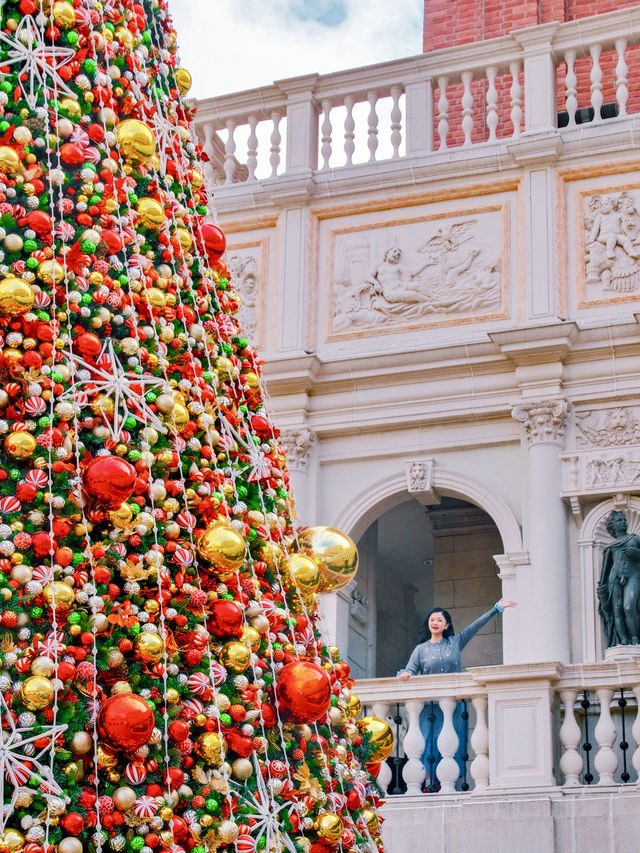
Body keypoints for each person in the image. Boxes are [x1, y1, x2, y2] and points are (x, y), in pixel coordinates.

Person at [397, 598, 516, 791]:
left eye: (439, 620)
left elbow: (476, 626)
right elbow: (410, 669)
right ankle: (428, 781)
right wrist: (406, 673)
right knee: (428, 741)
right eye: (432, 620)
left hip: (453, 704)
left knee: (452, 740)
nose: (434, 623)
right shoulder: (421, 649)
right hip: (429, 706)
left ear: (446, 625)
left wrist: (496, 609)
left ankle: (447, 779)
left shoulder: (455, 641)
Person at [597, 510, 640, 647]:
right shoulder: (610, 547)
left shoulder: (635, 539)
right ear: (612, 525)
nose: (623, 522)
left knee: (628, 607)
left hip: (633, 576)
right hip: (614, 579)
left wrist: (637, 553)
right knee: (617, 610)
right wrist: (602, 587)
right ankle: (623, 641)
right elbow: (606, 569)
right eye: (620, 520)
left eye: (624, 520)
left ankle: (635, 638)